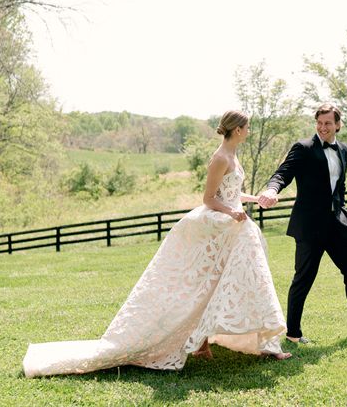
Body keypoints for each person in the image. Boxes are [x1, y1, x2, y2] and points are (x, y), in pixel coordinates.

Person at [23, 110, 291, 377]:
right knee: (202, 284)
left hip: (234, 224)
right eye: (248, 128)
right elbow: (209, 198)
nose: (250, 132)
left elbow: (230, 193)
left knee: (227, 280)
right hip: (219, 224)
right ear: (238, 129)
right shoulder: (220, 158)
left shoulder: (233, 154)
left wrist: (255, 200)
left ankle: (249, 341)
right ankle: (233, 341)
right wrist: (231, 213)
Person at [258, 103, 347, 343]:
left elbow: (340, 186)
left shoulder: (344, 150)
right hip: (310, 226)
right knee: (304, 278)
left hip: (338, 224)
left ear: (338, 125)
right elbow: (283, 173)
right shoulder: (304, 148)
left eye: (328, 123)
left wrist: (343, 210)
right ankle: (293, 334)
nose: (323, 128)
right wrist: (272, 189)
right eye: (319, 123)